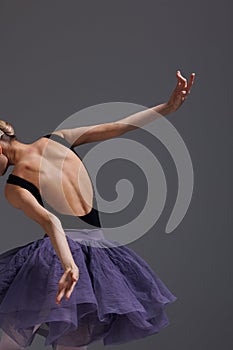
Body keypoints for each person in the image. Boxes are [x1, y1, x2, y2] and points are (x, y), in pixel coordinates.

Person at [0, 70, 195, 350]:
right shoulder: (59, 138)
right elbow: (119, 126)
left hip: (59, 255)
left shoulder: (15, 186)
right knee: (73, 340)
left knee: (13, 338)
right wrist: (168, 107)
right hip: (98, 254)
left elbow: (51, 221)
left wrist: (68, 264)